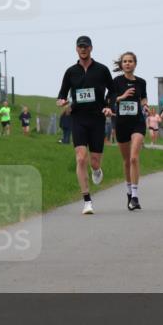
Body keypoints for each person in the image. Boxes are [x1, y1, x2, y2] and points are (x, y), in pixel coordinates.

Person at [57, 35, 114, 215]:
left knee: (94, 161)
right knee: (81, 157)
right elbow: (62, 94)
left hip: (97, 119)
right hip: (78, 118)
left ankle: (96, 170)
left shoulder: (102, 70)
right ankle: (87, 200)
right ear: (76, 49)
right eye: (80, 47)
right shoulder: (71, 71)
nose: (83, 49)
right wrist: (61, 102)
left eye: (86, 47)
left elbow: (113, 91)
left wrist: (108, 106)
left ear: (91, 48)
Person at [110, 51, 148, 210]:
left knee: (134, 158)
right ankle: (128, 192)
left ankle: (135, 196)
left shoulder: (141, 82)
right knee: (126, 161)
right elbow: (110, 99)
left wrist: (145, 105)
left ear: (135, 64)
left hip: (138, 123)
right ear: (121, 65)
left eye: (130, 61)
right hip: (122, 123)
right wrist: (122, 96)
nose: (127, 63)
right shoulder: (116, 81)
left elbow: (144, 97)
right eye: (124, 61)